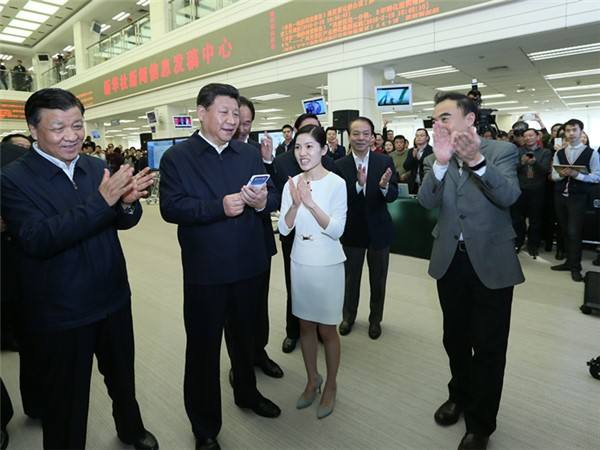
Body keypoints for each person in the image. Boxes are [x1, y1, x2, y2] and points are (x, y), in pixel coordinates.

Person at [0, 88, 158, 450]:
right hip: (62, 311)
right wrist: (103, 201)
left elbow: (121, 220)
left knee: (122, 378)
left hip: (113, 297)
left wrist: (126, 204)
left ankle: (131, 429)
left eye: (77, 125)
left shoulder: (94, 166)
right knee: (66, 400)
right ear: (33, 129)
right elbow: (38, 238)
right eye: (58, 128)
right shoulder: (12, 179)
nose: (71, 136)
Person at [159, 83, 281, 450]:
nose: (231, 120)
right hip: (206, 273)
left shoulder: (248, 153)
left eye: (235, 114)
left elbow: (272, 195)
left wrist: (261, 202)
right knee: (204, 350)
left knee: (245, 342)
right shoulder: (178, 157)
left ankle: (247, 393)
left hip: (249, 266)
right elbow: (171, 207)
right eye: (224, 112)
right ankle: (205, 426)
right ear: (201, 112)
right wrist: (218, 207)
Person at [418, 92, 524, 450]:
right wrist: (440, 164)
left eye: (445, 117)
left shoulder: (500, 152)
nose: (438, 124)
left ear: (469, 119)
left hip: (491, 262)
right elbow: (426, 201)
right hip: (451, 261)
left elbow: (509, 196)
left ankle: (481, 424)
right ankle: (459, 395)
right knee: (455, 338)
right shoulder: (434, 157)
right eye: (435, 119)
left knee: (489, 346)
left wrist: (476, 160)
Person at [278, 125, 347, 419]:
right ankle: (312, 379)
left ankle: (331, 384)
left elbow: (337, 230)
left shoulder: (337, 183)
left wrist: (310, 204)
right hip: (300, 262)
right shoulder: (291, 184)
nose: (302, 153)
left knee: (327, 329)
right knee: (305, 326)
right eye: (298, 147)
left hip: (328, 264)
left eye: (309, 146)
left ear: (323, 149)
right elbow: (283, 229)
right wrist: (295, 204)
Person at [225, 95, 283, 384]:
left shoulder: (254, 152)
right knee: (235, 311)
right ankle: (240, 362)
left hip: (259, 241)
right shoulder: (218, 153)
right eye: (237, 121)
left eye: (246, 123)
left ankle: (259, 352)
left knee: (259, 305)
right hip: (230, 247)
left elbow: (275, 194)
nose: (241, 128)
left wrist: (268, 163)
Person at [271, 113, 337, 354]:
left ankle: (320, 329)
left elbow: (336, 216)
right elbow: (278, 203)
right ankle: (293, 331)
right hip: (294, 238)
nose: (305, 151)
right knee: (295, 288)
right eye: (301, 141)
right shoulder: (282, 163)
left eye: (315, 132)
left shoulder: (331, 166)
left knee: (321, 290)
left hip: (323, 241)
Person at [335, 117, 398, 339]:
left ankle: (375, 320)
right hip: (352, 231)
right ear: (349, 136)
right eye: (356, 133)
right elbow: (338, 200)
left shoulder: (384, 161)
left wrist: (384, 187)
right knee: (350, 280)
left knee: (378, 280)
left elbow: (393, 195)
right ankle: (348, 317)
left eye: (365, 134)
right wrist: (358, 186)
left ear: (372, 137)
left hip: (379, 231)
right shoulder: (339, 165)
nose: (361, 138)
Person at [550, 118, 600, 282]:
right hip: (560, 196)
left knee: (574, 232)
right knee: (564, 231)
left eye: (574, 130)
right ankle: (568, 262)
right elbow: (554, 175)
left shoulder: (591, 153)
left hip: (578, 198)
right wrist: (561, 174)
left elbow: (597, 176)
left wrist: (577, 175)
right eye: (568, 130)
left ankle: (575, 267)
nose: (571, 133)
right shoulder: (559, 153)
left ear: (581, 132)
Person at [512, 128, 552, 257]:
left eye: (531, 135)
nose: (528, 138)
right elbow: (512, 168)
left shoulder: (545, 152)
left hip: (537, 190)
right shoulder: (518, 151)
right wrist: (522, 163)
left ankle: (533, 245)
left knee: (535, 220)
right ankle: (518, 242)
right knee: (518, 219)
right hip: (520, 189)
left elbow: (545, 170)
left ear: (537, 137)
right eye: (525, 136)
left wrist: (535, 163)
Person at [403, 128, 433, 194]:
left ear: (427, 138)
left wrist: (419, 159)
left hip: (427, 183)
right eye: (417, 135)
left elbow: (430, 167)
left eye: (422, 135)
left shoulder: (432, 151)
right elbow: (406, 167)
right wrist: (413, 157)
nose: (419, 137)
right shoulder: (411, 150)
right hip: (413, 184)